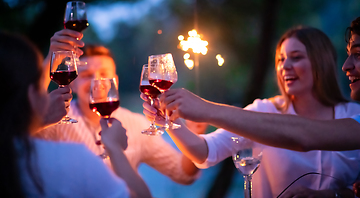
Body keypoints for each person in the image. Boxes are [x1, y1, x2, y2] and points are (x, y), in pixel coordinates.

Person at [143, 25, 360, 197]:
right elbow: (205, 151)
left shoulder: (353, 116)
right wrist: (168, 121)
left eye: (296, 57)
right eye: (281, 59)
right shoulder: (262, 110)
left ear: (320, 62)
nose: (284, 66)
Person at [36, 30, 199, 185]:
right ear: (74, 82)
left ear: (116, 81)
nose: (97, 82)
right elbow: (17, 132)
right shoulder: (53, 120)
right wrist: (51, 59)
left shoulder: (137, 124)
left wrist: (195, 130)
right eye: (86, 76)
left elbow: (182, 173)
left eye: (104, 74)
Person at [0, 31, 151, 198]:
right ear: (32, 95)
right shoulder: (72, 160)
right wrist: (114, 148)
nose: (96, 82)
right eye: (40, 81)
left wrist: (39, 121)